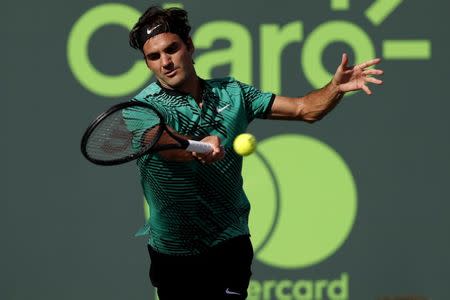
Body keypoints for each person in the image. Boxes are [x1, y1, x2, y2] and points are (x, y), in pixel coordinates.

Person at [128, 6, 383, 300]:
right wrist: (197, 147)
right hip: (174, 251)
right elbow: (161, 143)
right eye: (154, 57)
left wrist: (335, 88)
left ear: (190, 46)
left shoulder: (234, 93)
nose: (165, 62)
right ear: (147, 64)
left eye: (172, 49)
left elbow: (306, 109)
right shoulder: (142, 108)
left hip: (229, 241)